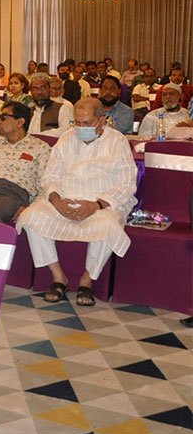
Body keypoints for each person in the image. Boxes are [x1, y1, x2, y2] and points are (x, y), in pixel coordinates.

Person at [17, 98, 137, 307]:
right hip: (65, 198)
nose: (81, 128)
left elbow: (127, 183)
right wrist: (57, 201)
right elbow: (50, 176)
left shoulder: (117, 141)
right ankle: (58, 277)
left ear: (102, 120)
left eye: (87, 123)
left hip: (101, 202)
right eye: (77, 122)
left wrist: (96, 205)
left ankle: (86, 280)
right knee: (30, 217)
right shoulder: (67, 137)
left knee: (108, 225)